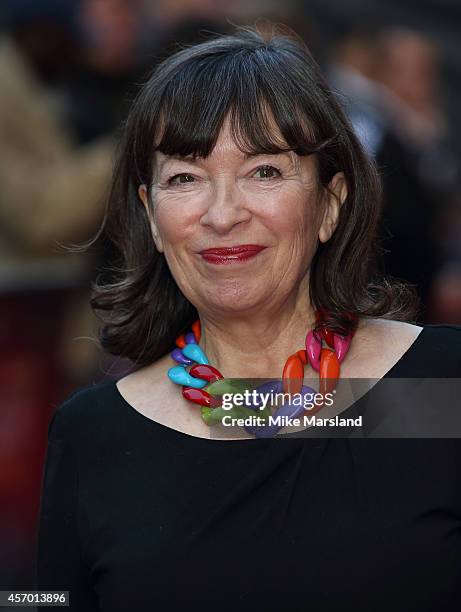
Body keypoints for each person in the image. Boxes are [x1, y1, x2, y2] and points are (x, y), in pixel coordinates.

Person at [35, 24, 461, 611]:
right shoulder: (96, 436)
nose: (223, 213)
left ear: (329, 205)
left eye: (264, 171)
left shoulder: (437, 388)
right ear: (152, 217)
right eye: (185, 177)